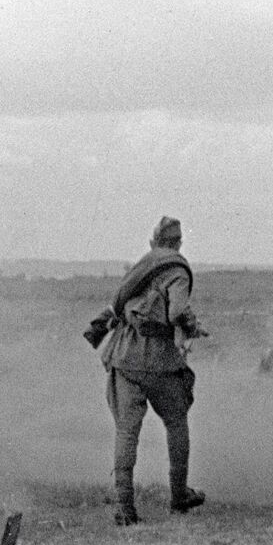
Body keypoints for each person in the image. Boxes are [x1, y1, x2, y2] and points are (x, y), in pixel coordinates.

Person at [92, 216, 205, 525]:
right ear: (178, 243)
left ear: (153, 242)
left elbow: (120, 303)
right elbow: (178, 310)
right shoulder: (177, 270)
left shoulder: (141, 267)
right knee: (176, 423)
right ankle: (179, 496)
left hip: (125, 356)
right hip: (160, 361)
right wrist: (192, 327)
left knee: (126, 431)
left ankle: (124, 508)